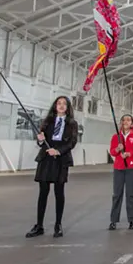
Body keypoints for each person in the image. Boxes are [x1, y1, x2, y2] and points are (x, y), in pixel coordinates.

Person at [26, 96, 79, 239]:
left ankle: (58, 225)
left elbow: (72, 142)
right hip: (46, 159)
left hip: (61, 160)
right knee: (43, 193)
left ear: (68, 107)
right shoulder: (47, 122)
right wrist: (41, 140)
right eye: (59, 103)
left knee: (59, 192)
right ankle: (39, 225)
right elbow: (41, 142)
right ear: (55, 106)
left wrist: (58, 151)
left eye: (64, 104)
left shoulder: (72, 123)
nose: (61, 106)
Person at [108, 114, 133, 231]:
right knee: (117, 194)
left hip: (131, 169)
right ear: (121, 122)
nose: (126, 122)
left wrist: (129, 154)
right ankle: (113, 220)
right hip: (119, 168)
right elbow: (112, 151)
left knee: (130, 194)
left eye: (129, 120)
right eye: (124, 120)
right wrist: (117, 149)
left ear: (131, 123)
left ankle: (132, 220)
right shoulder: (116, 137)